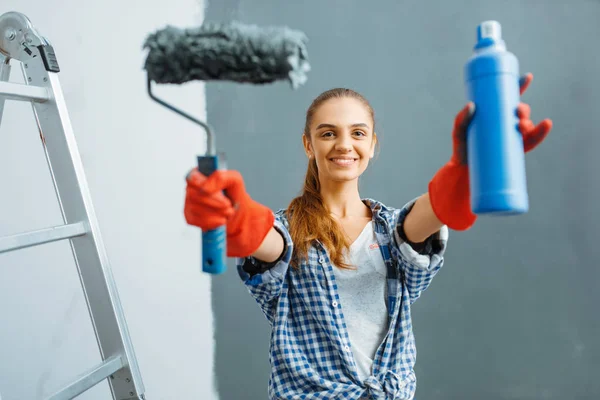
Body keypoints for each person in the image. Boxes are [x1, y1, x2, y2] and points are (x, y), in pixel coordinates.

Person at [183, 75, 552, 400]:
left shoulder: (392, 230)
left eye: (357, 133)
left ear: (372, 144)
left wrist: (471, 169)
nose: (344, 144)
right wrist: (233, 215)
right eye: (328, 133)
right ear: (308, 145)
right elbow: (264, 240)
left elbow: (434, 212)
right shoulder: (287, 231)